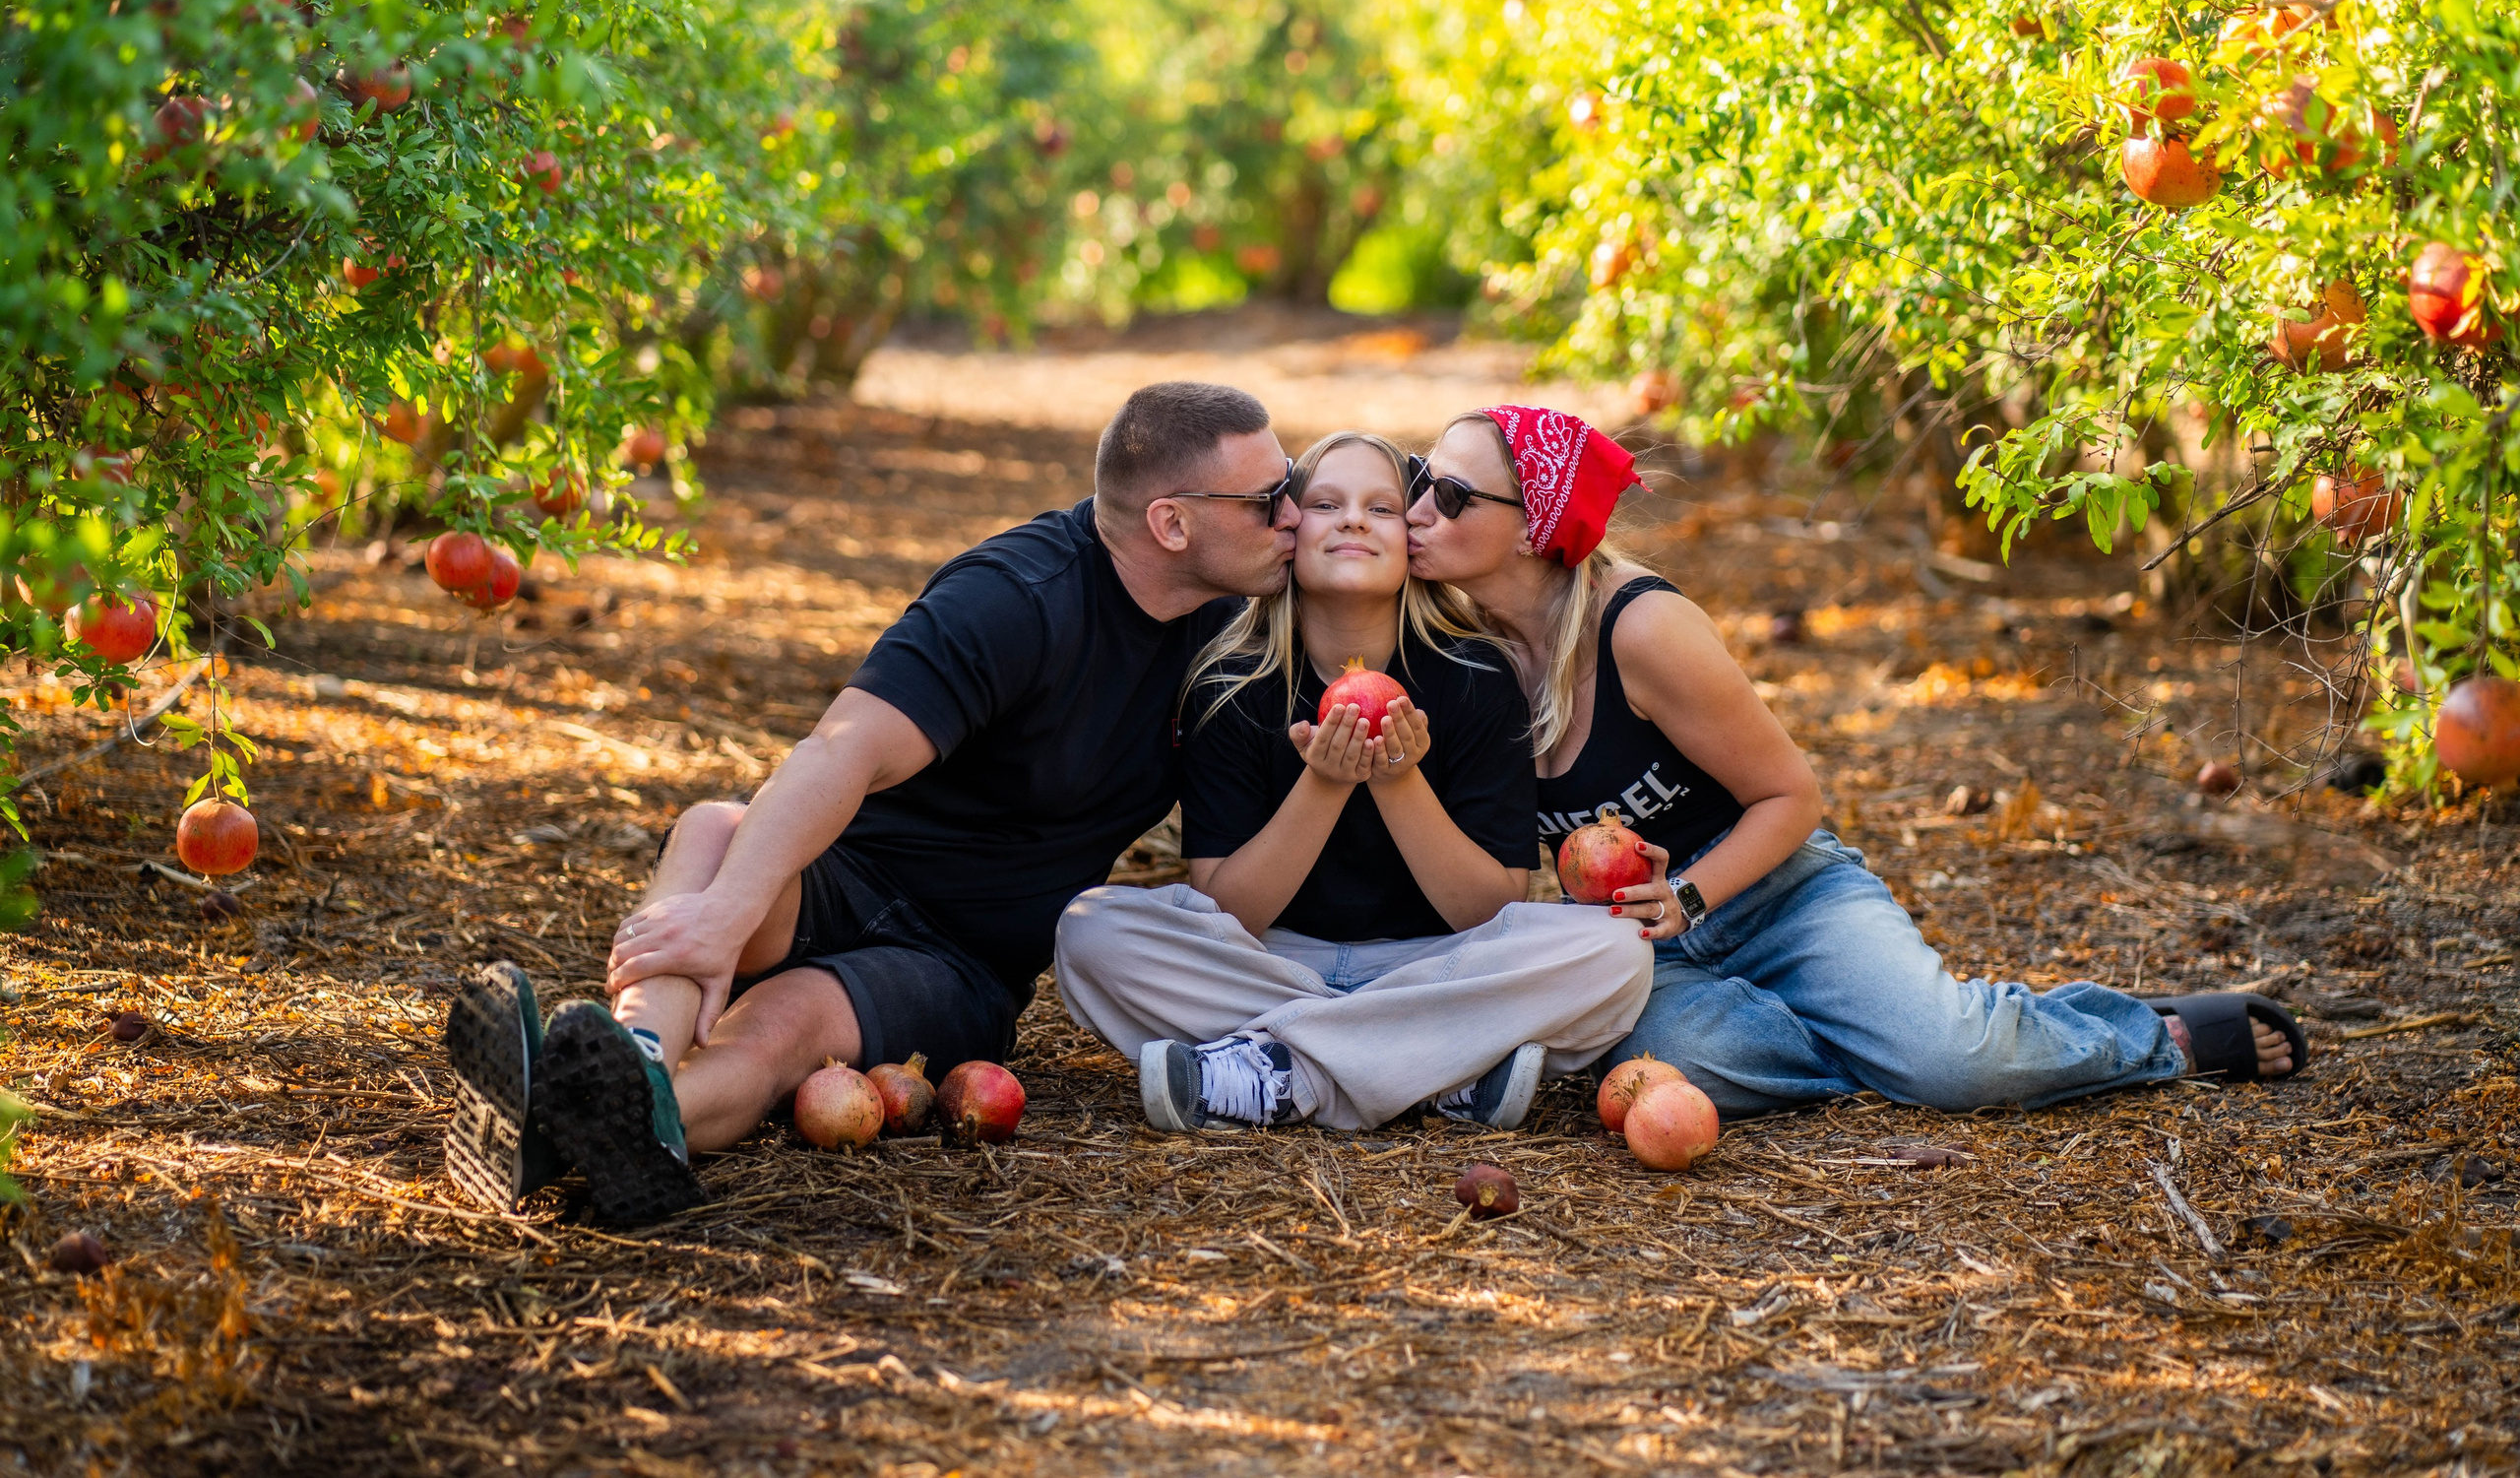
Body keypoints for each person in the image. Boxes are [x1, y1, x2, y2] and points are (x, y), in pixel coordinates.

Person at [440, 381, 1301, 1222]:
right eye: (1271, 499)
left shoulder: (1237, 636)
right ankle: (631, 1059)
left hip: (960, 964)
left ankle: (607, 1124)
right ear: (1172, 522)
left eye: (1291, 483)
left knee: (780, 1029)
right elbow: (840, 750)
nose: (1294, 515)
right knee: (712, 830)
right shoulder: (1015, 596)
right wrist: (728, 918)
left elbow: (1388, 528)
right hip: (846, 868)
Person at [1402, 404, 2309, 1118]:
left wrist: (1690, 895)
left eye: (1448, 495)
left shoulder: (1640, 628)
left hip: (1778, 896)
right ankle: (1931, 1035)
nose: (1414, 510)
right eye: (1419, 480)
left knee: (1949, 1063)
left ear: (1533, 528)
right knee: (1675, 1068)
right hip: (1640, 948)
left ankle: (2148, 1036)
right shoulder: (1454, 653)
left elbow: (1793, 796)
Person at [1054, 432, 1652, 1133]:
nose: (1354, 519)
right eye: (1326, 502)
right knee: (1091, 935)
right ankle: (1438, 1069)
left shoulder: (1477, 679)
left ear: (1413, 539)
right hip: (1276, 959)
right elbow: (1229, 909)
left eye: (1382, 506)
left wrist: (1400, 782)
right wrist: (1325, 784)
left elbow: (1488, 909)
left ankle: (1281, 1070)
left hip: (1439, 962)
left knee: (1616, 951)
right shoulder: (1231, 684)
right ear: (1288, 529)